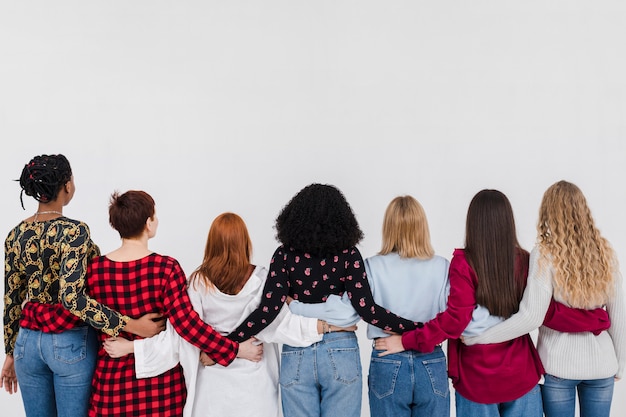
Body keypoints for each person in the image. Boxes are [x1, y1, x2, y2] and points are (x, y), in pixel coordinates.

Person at [103, 212, 358, 417]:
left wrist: (133, 348)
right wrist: (328, 327)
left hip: (212, 390)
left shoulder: (197, 283)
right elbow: (281, 326)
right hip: (255, 389)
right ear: (245, 242)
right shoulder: (261, 280)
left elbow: (179, 336)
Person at [226, 183, 421, 417]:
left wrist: (229, 342)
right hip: (341, 350)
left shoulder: (283, 255)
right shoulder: (349, 255)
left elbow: (267, 311)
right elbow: (367, 310)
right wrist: (418, 328)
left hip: (296, 352)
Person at [1, 154, 164, 417]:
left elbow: (11, 298)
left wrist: (10, 352)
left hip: (27, 345)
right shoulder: (74, 231)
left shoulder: (15, 234)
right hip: (68, 342)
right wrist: (133, 325)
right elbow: (71, 298)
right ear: (66, 186)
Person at [85, 192, 262, 416]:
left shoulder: (95, 269)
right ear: (148, 223)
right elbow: (189, 327)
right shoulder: (165, 268)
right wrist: (234, 349)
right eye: (155, 215)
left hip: (112, 386)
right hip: (160, 391)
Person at [376, 189, 545, 417]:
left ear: (472, 223)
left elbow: (455, 321)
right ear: (508, 222)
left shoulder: (463, 262)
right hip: (521, 373)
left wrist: (408, 341)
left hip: (477, 378)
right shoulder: (524, 260)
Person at [463, 181, 626, 417]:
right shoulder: (605, 252)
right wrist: (620, 362)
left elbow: (531, 316)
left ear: (548, 211)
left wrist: (481, 338)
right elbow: (618, 313)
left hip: (559, 367)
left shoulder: (546, 253)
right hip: (602, 366)